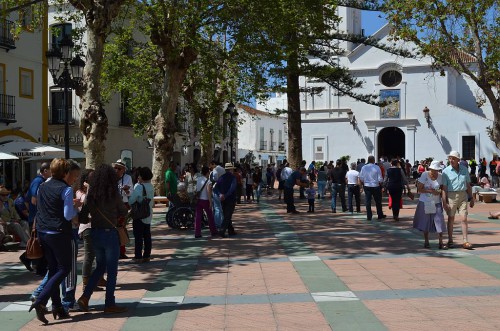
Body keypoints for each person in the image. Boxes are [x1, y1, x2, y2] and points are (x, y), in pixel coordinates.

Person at [29, 159, 81, 324]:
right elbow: (68, 215)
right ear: (65, 173)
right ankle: (41, 301)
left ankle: (57, 306)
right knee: (64, 268)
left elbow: (41, 207)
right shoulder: (65, 189)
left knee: (53, 269)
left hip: (44, 232)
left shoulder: (42, 186)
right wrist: (76, 206)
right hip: (59, 232)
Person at [77, 164, 128, 314]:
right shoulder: (113, 194)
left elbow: (83, 216)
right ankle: (109, 303)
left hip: (95, 233)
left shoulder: (91, 195)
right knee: (112, 271)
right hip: (110, 234)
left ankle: (85, 297)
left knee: (100, 267)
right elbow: (123, 211)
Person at [77, 169, 107, 290]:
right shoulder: (80, 192)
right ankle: (86, 283)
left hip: (97, 226)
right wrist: (90, 188)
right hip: (87, 227)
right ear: (85, 181)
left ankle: (98, 278)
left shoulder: (95, 191)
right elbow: (87, 202)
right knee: (89, 256)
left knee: (100, 255)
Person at [441, 151, 474, 249]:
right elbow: (444, 189)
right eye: (450, 158)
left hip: (463, 195)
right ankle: (450, 240)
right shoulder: (445, 171)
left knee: (464, 218)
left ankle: (465, 240)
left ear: (458, 160)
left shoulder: (464, 169)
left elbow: (468, 185)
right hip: (451, 196)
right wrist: (444, 202)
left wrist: (471, 198)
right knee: (451, 218)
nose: (451, 160)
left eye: (453, 158)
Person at [413, 160, 447, 249]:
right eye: (433, 170)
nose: (435, 172)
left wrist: (444, 201)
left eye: (437, 170)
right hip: (425, 201)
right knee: (426, 222)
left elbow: (443, 189)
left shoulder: (440, 177)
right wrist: (431, 191)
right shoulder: (424, 175)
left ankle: (441, 241)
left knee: (439, 221)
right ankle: (426, 241)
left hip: (437, 202)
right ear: (430, 169)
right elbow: (419, 189)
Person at [26, 162, 51, 276]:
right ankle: (37, 265)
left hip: (35, 217)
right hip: (37, 218)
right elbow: (33, 198)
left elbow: (27, 199)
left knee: (37, 241)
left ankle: (29, 259)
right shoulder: (38, 181)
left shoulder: (37, 181)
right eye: (50, 170)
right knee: (38, 241)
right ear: (45, 171)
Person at [129, 167, 155, 263]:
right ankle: (147, 255)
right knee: (147, 235)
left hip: (139, 214)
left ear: (142, 176)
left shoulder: (139, 186)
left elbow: (132, 200)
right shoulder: (151, 186)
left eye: (139, 175)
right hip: (148, 213)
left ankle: (138, 256)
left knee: (138, 236)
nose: (138, 177)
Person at [112, 159, 132, 260]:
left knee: (120, 227)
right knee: (113, 227)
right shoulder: (110, 178)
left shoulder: (128, 178)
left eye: (119, 168)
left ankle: (121, 251)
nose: (116, 170)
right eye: (115, 168)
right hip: (112, 205)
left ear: (123, 170)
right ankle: (115, 250)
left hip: (123, 204)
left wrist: (127, 190)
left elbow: (130, 193)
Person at [359, 155, 386, 221]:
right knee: (378, 201)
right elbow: (380, 178)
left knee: (368, 201)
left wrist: (363, 183)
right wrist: (381, 184)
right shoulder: (377, 167)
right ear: (373, 160)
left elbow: (361, 177)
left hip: (367, 186)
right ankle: (379, 214)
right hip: (375, 186)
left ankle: (369, 216)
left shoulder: (364, 167)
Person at [214, 163, 237, 238]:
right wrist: (225, 195)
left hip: (223, 199)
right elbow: (232, 188)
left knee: (227, 214)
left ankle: (231, 230)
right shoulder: (233, 177)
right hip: (230, 199)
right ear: (230, 169)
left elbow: (215, 188)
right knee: (227, 215)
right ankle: (222, 230)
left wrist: (220, 194)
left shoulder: (221, 177)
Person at [194, 166, 217, 238]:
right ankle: (213, 231)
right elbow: (209, 192)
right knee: (210, 216)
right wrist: (210, 201)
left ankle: (197, 233)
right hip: (206, 200)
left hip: (199, 200)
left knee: (198, 216)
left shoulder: (198, 180)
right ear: (207, 172)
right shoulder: (208, 181)